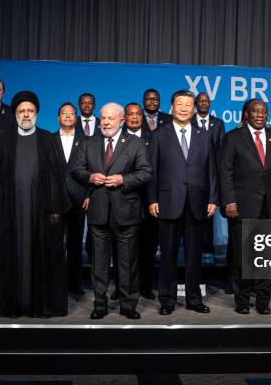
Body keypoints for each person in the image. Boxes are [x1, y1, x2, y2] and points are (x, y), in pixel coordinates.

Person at [0, 90, 70, 317]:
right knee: (8, 254)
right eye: (22, 111)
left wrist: (55, 209)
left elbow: (57, 177)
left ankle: (39, 304)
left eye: (30, 111)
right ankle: (12, 302)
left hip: (40, 212)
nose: (26, 115)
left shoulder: (48, 139)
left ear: (37, 113)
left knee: (42, 255)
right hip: (10, 210)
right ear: (15, 114)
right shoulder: (5, 139)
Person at [72, 102, 152, 319]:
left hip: (126, 213)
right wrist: (89, 177)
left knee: (127, 264)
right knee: (99, 264)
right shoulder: (89, 143)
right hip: (98, 213)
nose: (105, 122)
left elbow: (146, 172)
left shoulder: (135, 143)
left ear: (122, 120)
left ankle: (128, 306)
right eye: (102, 118)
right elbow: (75, 169)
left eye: (110, 118)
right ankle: (100, 305)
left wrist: (123, 180)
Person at [148, 90, 219, 316]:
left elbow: (212, 170)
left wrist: (213, 199)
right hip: (168, 202)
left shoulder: (204, 135)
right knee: (167, 255)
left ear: (194, 108)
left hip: (197, 203)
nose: (184, 108)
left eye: (189, 104)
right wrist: (152, 198)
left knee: (194, 256)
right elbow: (152, 170)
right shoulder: (159, 134)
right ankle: (167, 300)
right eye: (180, 104)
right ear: (172, 106)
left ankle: (194, 299)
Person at [219, 99, 271, 315]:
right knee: (242, 257)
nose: (260, 115)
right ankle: (243, 300)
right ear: (246, 114)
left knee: (266, 256)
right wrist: (229, 201)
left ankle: (263, 301)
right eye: (256, 111)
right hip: (241, 207)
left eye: (264, 112)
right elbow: (225, 171)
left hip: (270, 206)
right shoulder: (233, 137)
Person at [53, 102, 88, 296]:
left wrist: (89, 195)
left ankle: (74, 284)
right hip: (55, 201)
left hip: (78, 199)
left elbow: (93, 169)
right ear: (58, 118)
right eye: (64, 113)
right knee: (55, 244)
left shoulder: (86, 140)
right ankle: (55, 283)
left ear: (76, 118)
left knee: (75, 245)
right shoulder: (49, 139)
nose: (67, 116)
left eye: (71, 114)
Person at [123, 102, 156, 299]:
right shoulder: (117, 138)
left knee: (148, 245)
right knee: (124, 247)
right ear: (124, 118)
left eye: (138, 115)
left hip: (148, 199)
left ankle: (145, 287)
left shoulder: (153, 138)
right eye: (131, 114)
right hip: (123, 199)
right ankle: (123, 287)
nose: (135, 118)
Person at [192, 92, 226, 265]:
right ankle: (194, 253)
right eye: (201, 101)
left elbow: (221, 150)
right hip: (193, 175)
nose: (204, 103)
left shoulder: (218, 124)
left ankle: (208, 250)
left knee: (209, 216)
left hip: (211, 176)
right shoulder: (189, 122)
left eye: (207, 101)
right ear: (196, 103)